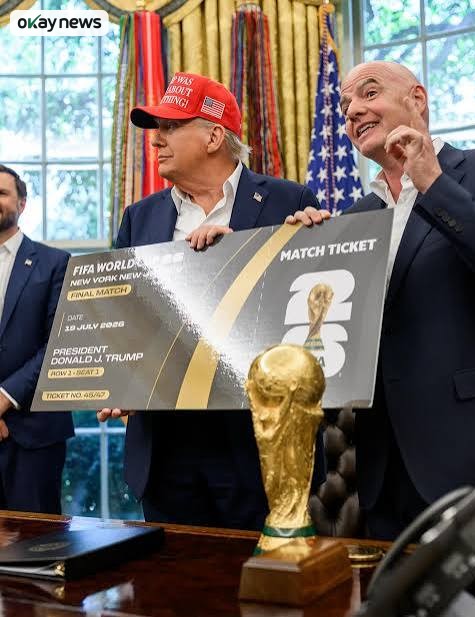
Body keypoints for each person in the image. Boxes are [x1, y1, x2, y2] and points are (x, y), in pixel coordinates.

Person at [97, 72, 323, 529]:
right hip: (164, 449)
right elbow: (124, 317)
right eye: (156, 129)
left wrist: (235, 254)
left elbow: (307, 316)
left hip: (253, 444)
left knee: (258, 573)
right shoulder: (139, 216)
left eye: (170, 127)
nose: (155, 140)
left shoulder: (290, 201)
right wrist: (118, 381)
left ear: (214, 136)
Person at [287, 61, 475, 540]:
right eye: (345, 106)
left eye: (369, 93)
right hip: (382, 472)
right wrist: (304, 254)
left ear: (416, 99)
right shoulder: (356, 217)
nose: (352, 111)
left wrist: (433, 184)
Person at [0, 165, 74, 513]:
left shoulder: (56, 263)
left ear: (22, 203)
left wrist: (3, 399)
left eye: (2, 193)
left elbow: (59, 344)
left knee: (36, 541)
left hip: (34, 435)